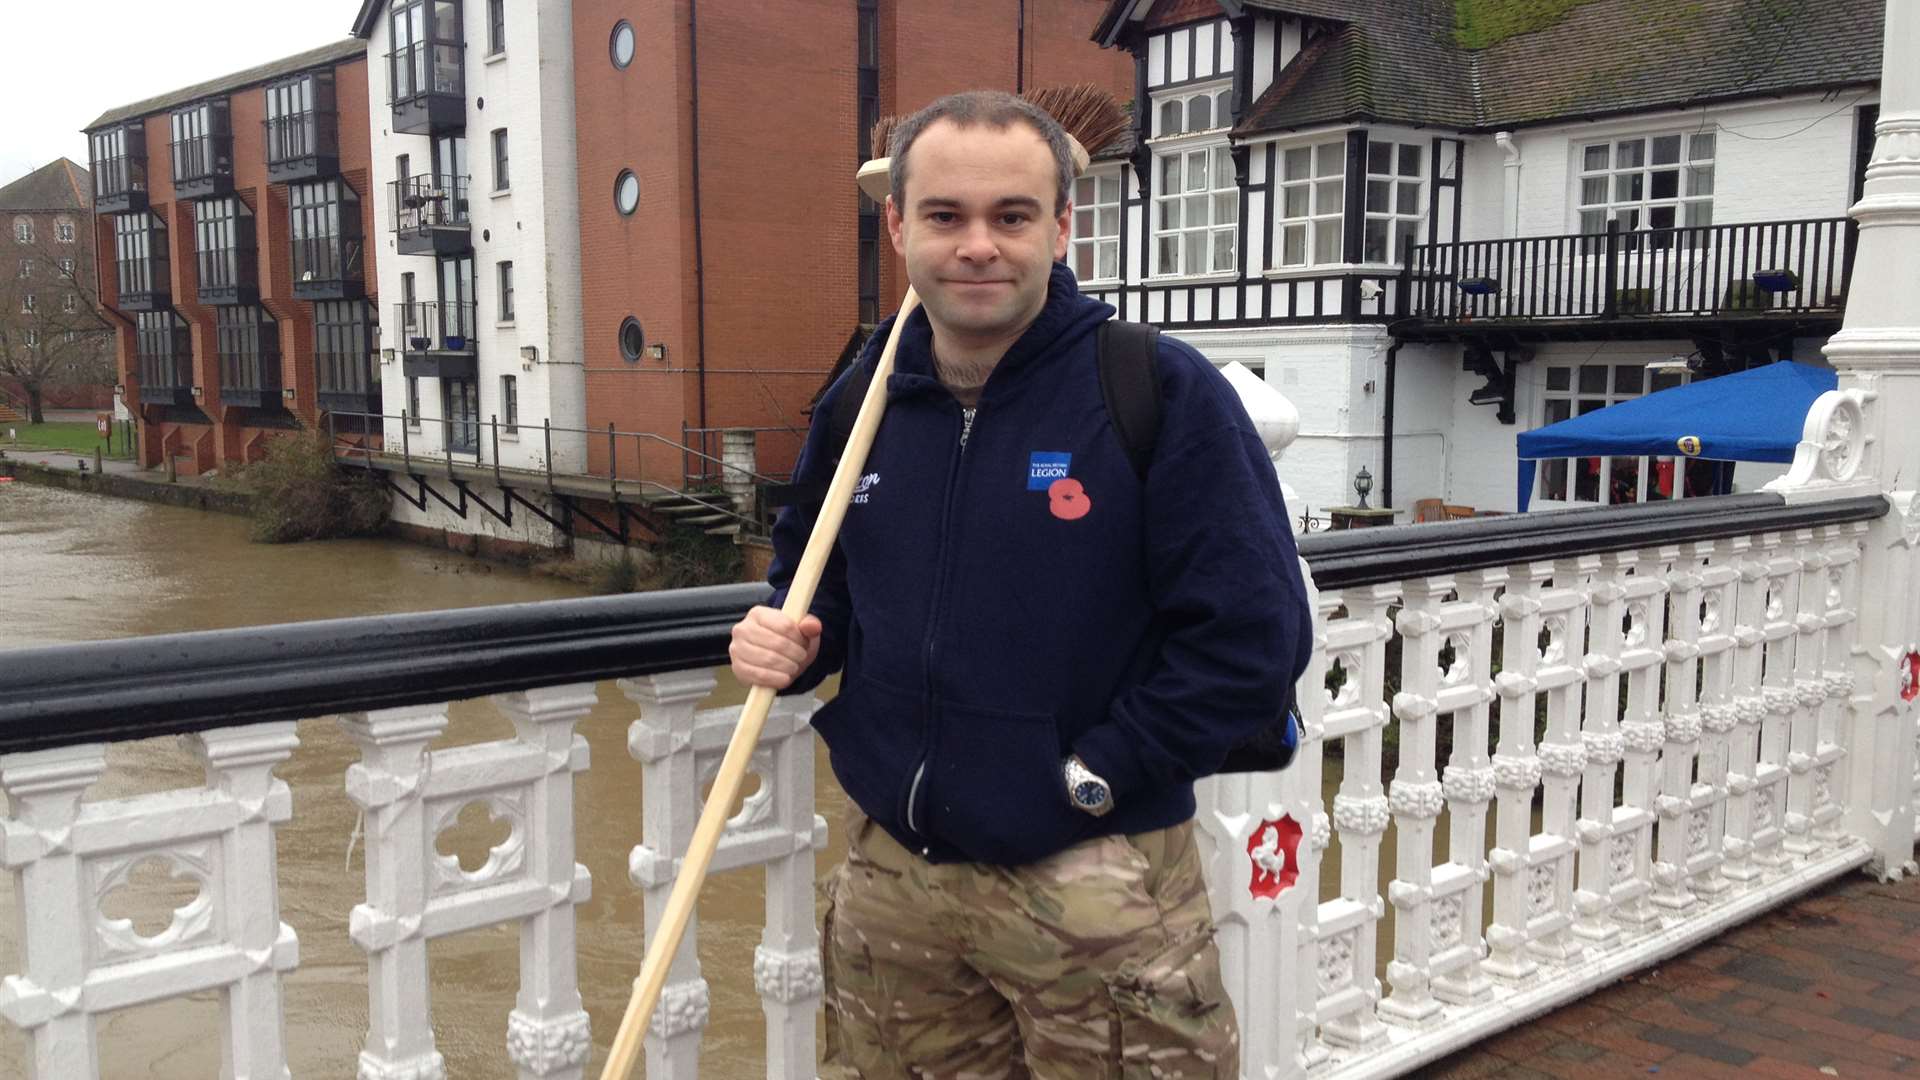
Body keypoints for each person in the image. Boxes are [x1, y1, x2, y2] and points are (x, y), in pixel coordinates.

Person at [729, 89, 1312, 1079]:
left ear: (1062, 227)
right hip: (898, 880)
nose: (979, 247)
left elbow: (1252, 638)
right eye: (947, 217)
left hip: (1094, 880)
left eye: (1012, 216)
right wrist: (787, 635)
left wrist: (1100, 773)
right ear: (898, 225)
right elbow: (814, 577)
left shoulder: (1156, 389)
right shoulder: (864, 396)